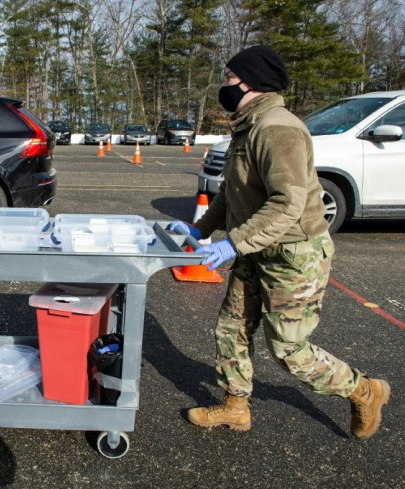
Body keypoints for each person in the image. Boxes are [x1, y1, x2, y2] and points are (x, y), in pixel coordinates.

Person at [168, 45, 390, 439]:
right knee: (231, 328)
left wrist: (232, 244)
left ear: (250, 82)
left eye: (228, 79)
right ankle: (236, 406)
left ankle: (364, 389)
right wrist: (201, 230)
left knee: (290, 350)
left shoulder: (276, 128)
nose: (224, 86)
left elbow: (287, 203)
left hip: (293, 254)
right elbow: (231, 194)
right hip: (255, 245)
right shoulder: (248, 124)